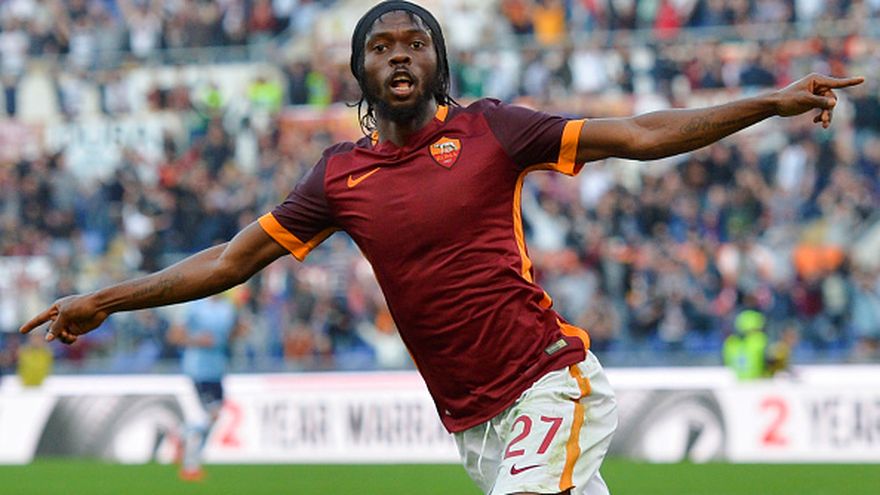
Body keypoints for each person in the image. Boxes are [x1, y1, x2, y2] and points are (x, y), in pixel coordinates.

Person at [20, 1, 864, 494]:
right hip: (475, 423)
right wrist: (106, 299)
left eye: (415, 43)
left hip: (550, 382)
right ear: (360, 72)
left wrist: (768, 102)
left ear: (438, 63)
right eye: (381, 46)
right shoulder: (338, 177)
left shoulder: (494, 130)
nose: (399, 54)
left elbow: (639, 134)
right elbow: (227, 262)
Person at [166, 293, 240, 481]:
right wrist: (197, 340)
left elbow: (230, 335)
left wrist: (239, 332)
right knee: (209, 414)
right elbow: (174, 336)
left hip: (218, 369)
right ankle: (190, 464)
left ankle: (181, 435)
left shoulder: (228, 307)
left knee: (214, 417)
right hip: (198, 369)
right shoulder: (193, 306)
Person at [722, 309, 769, 380]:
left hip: (736, 381)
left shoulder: (730, 343)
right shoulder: (759, 340)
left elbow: (726, 364)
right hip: (756, 381)